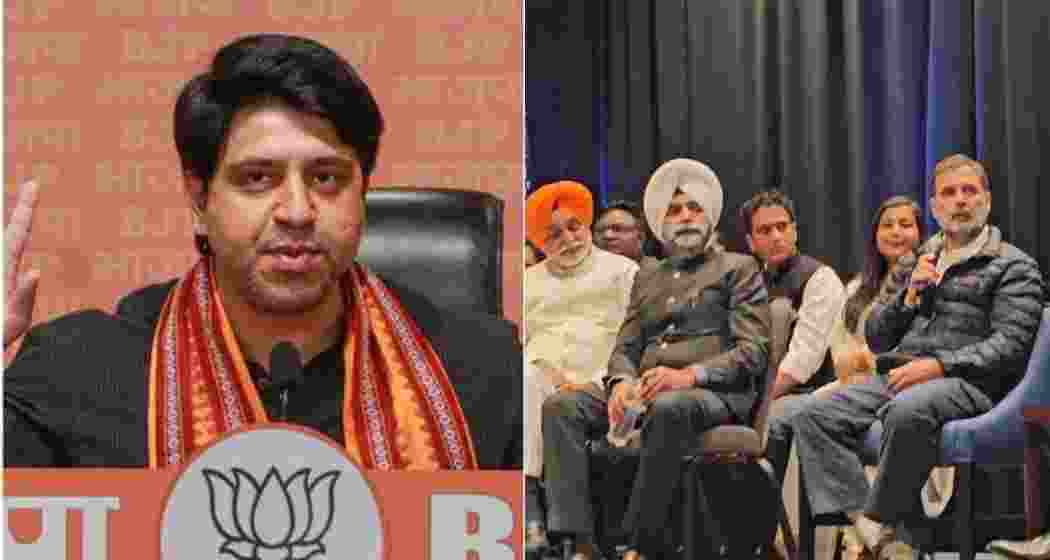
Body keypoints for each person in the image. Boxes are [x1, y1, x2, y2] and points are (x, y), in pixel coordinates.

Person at [3, 34, 522, 471]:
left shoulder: (484, 369)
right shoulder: (75, 371)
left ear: (362, 195)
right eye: (257, 179)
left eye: (326, 178)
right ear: (199, 200)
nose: (296, 211)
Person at [792, 154, 1047, 559]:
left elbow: (1010, 347)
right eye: (949, 193)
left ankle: (881, 523)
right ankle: (879, 534)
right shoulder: (918, 260)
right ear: (935, 206)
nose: (960, 201)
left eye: (970, 191)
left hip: (970, 384)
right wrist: (909, 295)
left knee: (908, 410)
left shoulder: (1014, 266)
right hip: (899, 377)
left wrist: (940, 365)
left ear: (987, 201)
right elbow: (876, 335)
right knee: (811, 414)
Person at [542, 158, 771, 559]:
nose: (685, 217)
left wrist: (690, 376)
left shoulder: (739, 268)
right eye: (674, 210)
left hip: (709, 395)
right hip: (644, 391)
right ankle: (577, 543)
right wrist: (620, 384)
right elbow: (627, 346)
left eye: (694, 208)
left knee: (669, 406)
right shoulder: (648, 275)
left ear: (710, 216)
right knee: (562, 406)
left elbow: (752, 352)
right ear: (660, 223)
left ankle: (639, 546)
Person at [523, 180, 638, 557]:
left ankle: (568, 537)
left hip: (604, 383)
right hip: (542, 382)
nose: (569, 239)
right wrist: (547, 370)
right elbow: (517, 342)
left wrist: (590, 381)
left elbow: (635, 339)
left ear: (587, 225)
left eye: (574, 226)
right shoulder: (528, 282)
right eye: (554, 234)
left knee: (554, 400)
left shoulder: (623, 272)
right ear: (540, 243)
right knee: (525, 376)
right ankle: (531, 513)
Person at [737, 190, 846, 484]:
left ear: (795, 230)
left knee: (768, 421)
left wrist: (755, 403)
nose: (776, 236)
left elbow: (803, 362)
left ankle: (767, 523)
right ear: (750, 241)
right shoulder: (746, 282)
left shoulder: (820, 279)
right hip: (758, 393)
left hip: (811, 392)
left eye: (782, 227)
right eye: (764, 230)